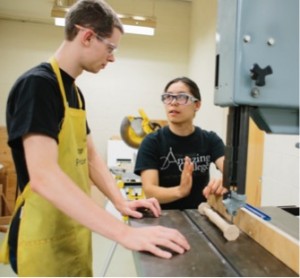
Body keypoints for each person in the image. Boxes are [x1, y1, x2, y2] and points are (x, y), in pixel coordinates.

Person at [0, 1, 190, 276]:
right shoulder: (39, 85)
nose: (112, 58)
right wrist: (123, 233)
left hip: (72, 227)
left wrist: (120, 201)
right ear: (87, 36)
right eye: (111, 48)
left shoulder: (74, 93)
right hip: (42, 233)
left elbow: (89, 157)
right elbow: (44, 176)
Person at [134, 77, 227, 210]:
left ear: (197, 105)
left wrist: (225, 182)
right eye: (168, 97)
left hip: (200, 216)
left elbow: (231, 172)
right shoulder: (152, 142)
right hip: (162, 218)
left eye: (181, 97)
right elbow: (150, 191)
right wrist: (180, 191)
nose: (173, 102)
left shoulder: (210, 140)